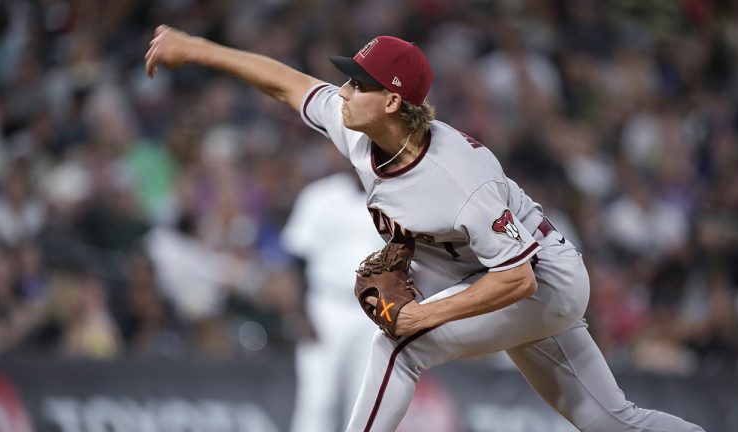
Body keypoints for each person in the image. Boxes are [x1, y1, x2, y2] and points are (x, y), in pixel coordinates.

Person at [145, 25, 705, 432]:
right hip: (507, 280)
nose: (342, 92)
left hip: (543, 281)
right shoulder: (362, 134)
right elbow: (288, 84)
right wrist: (193, 48)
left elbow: (519, 281)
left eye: (356, 84)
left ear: (391, 100)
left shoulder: (457, 177)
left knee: (399, 346)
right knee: (614, 423)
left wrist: (423, 315)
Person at [281, 170, 385, 432]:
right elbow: (295, 260)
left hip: (375, 311)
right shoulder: (319, 196)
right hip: (325, 306)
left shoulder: (394, 198)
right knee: (317, 401)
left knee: (366, 405)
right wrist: (298, 313)